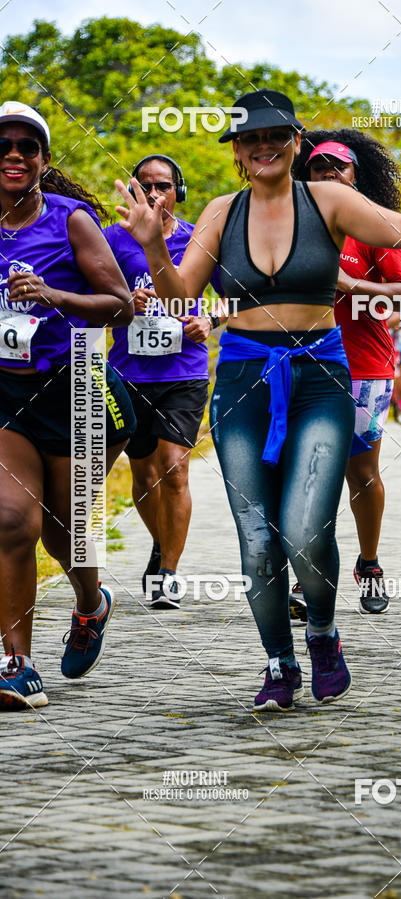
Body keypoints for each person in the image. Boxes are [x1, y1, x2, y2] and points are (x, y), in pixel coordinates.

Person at [114, 89, 401, 712]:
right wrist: (153, 246)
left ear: (295, 142)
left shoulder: (327, 198)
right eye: (249, 139)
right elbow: (176, 295)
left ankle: (322, 632)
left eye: (277, 136)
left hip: (320, 377)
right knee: (257, 538)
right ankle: (278, 661)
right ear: (238, 153)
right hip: (243, 383)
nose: (264, 146)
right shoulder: (222, 212)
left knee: (303, 527)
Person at [0, 102, 136, 710]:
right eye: (3, 144)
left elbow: (121, 305)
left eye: (27, 146)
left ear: (43, 161)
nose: (14, 154)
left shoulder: (71, 220)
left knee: (68, 534)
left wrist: (51, 294)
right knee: (10, 521)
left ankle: (90, 604)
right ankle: (15, 663)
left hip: (75, 385)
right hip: (6, 393)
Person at [293, 131, 401, 615]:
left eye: (337, 167)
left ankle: (368, 563)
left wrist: (349, 284)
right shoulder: (289, 226)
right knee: (311, 473)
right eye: (318, 167)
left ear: (355, 175)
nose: (327, 174)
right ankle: (311, 575)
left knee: (361, 473)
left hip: (364, 366)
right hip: (304, 363)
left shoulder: (370, 229)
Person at [105, 154, 222, 609]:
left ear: (179, 191)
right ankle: (161, 543)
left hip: (184, 372)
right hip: (129, 372)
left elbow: (241, 296)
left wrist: (210, 318)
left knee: (174, 467)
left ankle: (169, 572)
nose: (154, 194)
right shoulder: (113, 238)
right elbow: (96, 293)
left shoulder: (199, 238)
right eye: (146, 185)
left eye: (164, 185)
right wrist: (123, 301)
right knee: (144, 473)